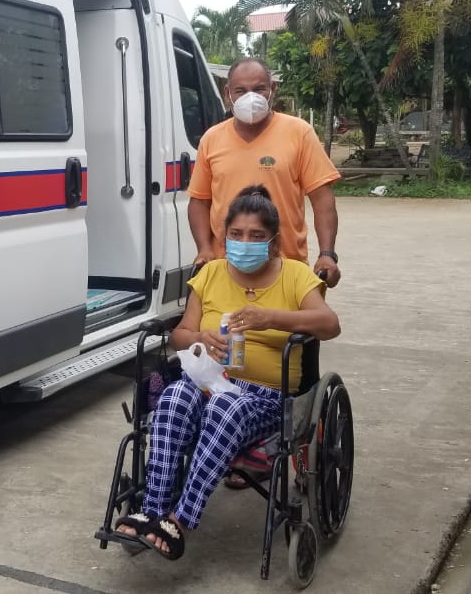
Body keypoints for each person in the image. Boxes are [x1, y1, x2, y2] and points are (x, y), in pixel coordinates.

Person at [113, 186, 341, 560]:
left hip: (264, 397)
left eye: (255, 235)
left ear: (273, 242)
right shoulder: (211, 274)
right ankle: (152, 510)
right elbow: (180, 336)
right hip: (209, 382)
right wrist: (199, 338)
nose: (244, 242)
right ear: (225, 236)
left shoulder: (295, 276)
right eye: (236, 234)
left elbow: (330, 324)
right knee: (174, 396)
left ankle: (180, 520)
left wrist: (271, 318)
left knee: (225, 409)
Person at [187, 57, 344, 287]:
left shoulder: (299, 133)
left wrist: (327, 254)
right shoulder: (212, 139)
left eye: (259, 89)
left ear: (273, 89)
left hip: (287, 270)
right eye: (241, 91)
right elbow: (199, 202)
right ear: (227, 93)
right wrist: (204, 249)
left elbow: (322, 199)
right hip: (225, 268)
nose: (250, 97)